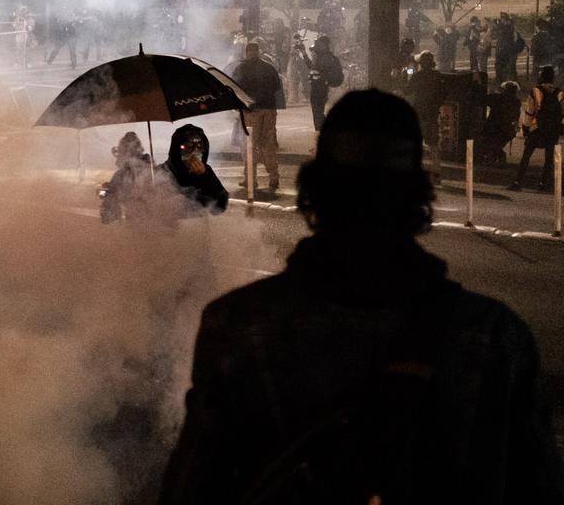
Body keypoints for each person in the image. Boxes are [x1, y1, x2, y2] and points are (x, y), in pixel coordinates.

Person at [159, 89, 564, 505]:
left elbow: (194, 489)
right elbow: (537, 487)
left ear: (316, 187)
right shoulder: (494, 337)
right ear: (417, 194)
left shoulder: (240, 327)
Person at [232, 42, 284, 192]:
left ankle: (250, 178)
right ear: (258, 52)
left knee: (249, 145)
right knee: (268, 143)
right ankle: (273, 177)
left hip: (251, 111)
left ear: (247, 52)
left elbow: (234, 87)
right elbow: (277, 87)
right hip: (269, 109)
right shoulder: (269, 67)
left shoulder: (241, 68)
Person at [510, 66, 564, 192]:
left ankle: (518, 182)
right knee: (549, 158)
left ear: (542, 76)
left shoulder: (535, 91)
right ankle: (543, 184)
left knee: (527, 155)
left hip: (537, 128)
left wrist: (526, 128)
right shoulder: (560, 93)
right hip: (553, 130)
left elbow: (529, 111)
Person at [159, 124, 228, 214]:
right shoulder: (163, 173)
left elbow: (221, 206)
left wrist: (205, 176)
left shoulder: (205, 171)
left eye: (200, 147)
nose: (195, 152)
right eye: (188, 147)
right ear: (176, 150)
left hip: (200, 225)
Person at [477, 81, 522, 164]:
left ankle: (495, 156)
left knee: (486, 142)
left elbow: (482, 99)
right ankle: (495, 156)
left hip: (494, 128)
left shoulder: (497, 98)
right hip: (509, 130)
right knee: (497, 144)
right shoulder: (517, 102)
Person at [407, 50, 444, 149]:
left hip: (420, 108)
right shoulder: (437, 75)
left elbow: (408, 90)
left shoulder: (417, 76)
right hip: (433, 109)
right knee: (432, 139)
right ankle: (435, 160)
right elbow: (443, 92)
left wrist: (405, 76)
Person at [307, 34, 344, 131]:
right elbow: (314, 69)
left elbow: (316, 70)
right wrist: (304, 54)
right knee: (318, 111)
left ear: (324, 45)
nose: (316, 48)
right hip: (321, 87)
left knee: (317, 112)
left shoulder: (324, 58)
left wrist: (314, 60)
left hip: (319, 88)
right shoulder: (326, 56)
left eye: (318, 44)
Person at [493, 15, 525, 85]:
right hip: (505, 55)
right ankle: (508, 85)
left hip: (507, 55)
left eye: (503, 20)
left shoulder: (509, 30)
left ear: (508, 21)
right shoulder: (507, 30)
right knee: (507, 71)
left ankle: (509, 86)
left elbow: (508, 43)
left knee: (508, 71)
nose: (502, 22)